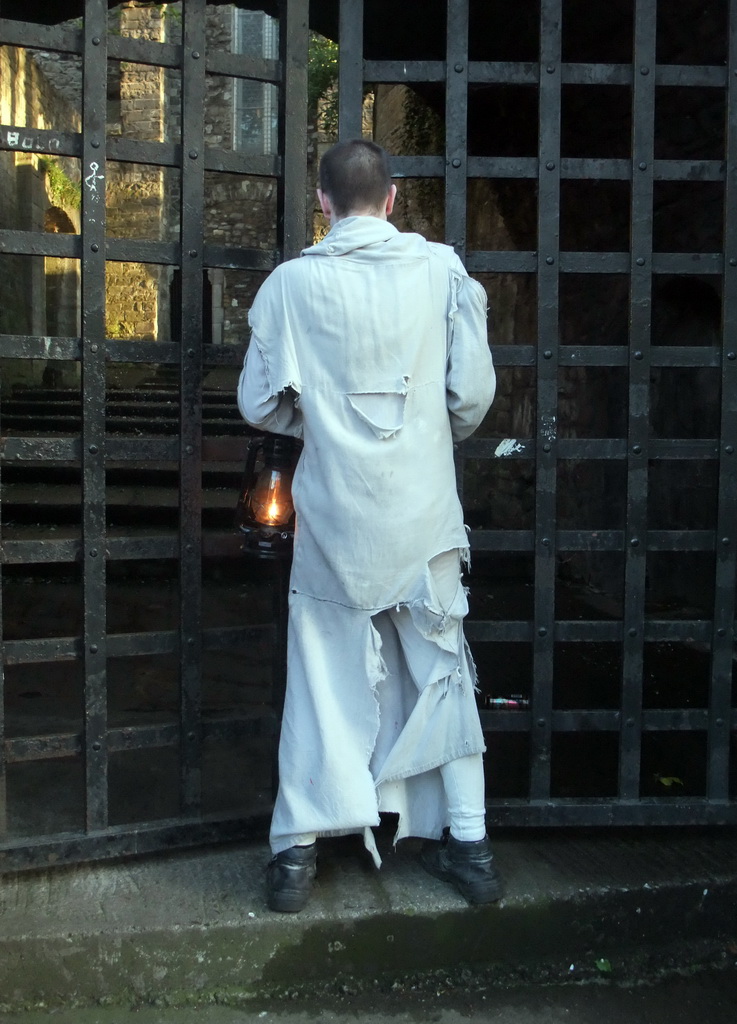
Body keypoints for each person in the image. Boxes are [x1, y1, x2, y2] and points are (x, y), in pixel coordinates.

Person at [237, 139, 500, 912]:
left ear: (322, 201)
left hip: (335, 520)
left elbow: (258, 404)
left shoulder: (292, 285)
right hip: (422, 519)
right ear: (392, 199)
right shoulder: (443, 272)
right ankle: (472, 849)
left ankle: (294, 860)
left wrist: (314, 415)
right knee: (443, 672)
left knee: (320, 675)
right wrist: (423, 432)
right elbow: (472, 397)